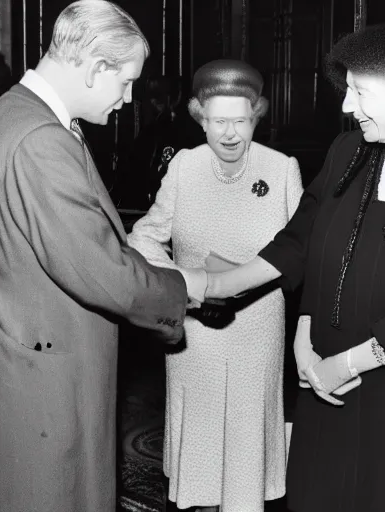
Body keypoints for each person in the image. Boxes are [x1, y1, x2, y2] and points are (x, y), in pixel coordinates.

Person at [204, 23, 385, 512]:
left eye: (360, 91)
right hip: (322, 378)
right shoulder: (347, 153)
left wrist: (347, 364)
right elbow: (302, 242)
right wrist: (301, 332)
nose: (346, 107)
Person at [0, 2, 207, 511]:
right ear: (96, 66)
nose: (127, 99)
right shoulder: (40, 139)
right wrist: (185, 288)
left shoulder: (14, 110)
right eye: (125, 83)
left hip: (27, 351)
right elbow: (99, 270)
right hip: (44, 381)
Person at [127, 59, 303, 512]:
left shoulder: (282, 169)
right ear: (199, 118)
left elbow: (303, 251)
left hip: (257, 332)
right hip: (196, 336)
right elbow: (144, 235)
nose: (229, 133)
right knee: (200, 459)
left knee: (246, 450)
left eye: (241, 121)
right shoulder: (185, 167)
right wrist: (182, 280)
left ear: (257, 115)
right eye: (218, 121)